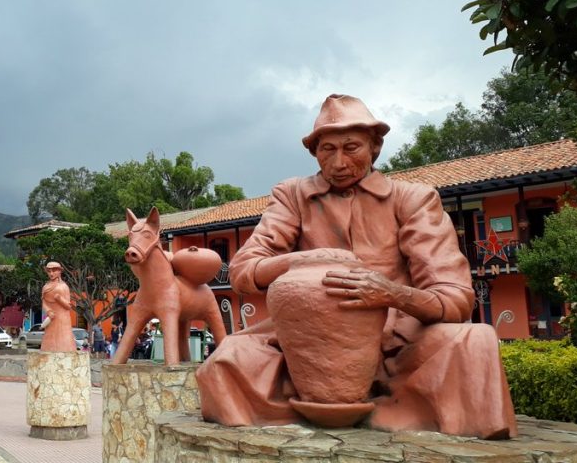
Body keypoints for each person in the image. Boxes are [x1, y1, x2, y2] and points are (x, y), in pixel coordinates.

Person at [196, 94, 517, 439]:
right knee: (228, 361)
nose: (338, 162)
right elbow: (243, 270)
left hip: (398, 342)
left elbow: (455, 298)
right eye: (327, 150)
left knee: (474, 341)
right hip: (305, 342)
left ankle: (393, 409)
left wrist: (392, 295)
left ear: (374, 147)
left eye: (351, 148)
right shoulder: (293, 196)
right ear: (314, 152)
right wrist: (304, 261)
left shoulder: (413, 199)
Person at [40, 261, 76, 352]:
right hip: (51, 317)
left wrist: (59, 299)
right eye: (49, 271)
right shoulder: (45, 287)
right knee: (49, 341)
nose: (51, 274)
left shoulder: (64, 287)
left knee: (63, 340)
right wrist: (48, 311)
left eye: (54, 271)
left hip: (63, 318)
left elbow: (68, 306)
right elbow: (44, 302)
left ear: (60, 271)